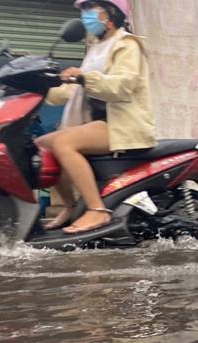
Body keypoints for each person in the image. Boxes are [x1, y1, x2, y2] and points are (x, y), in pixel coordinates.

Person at [37, 0, 156, 233]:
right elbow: (75, 90)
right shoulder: (95, 48)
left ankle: (96, 210)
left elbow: (122, 86)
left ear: (110, 12)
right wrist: (39, 91)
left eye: (90, 7)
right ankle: (70, 206)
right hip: (96, 124)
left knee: (62, 141)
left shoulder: (128, 45)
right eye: (82, 10)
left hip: (121, 125)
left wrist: (84, 77)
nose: (85, 15)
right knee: (42, 145)